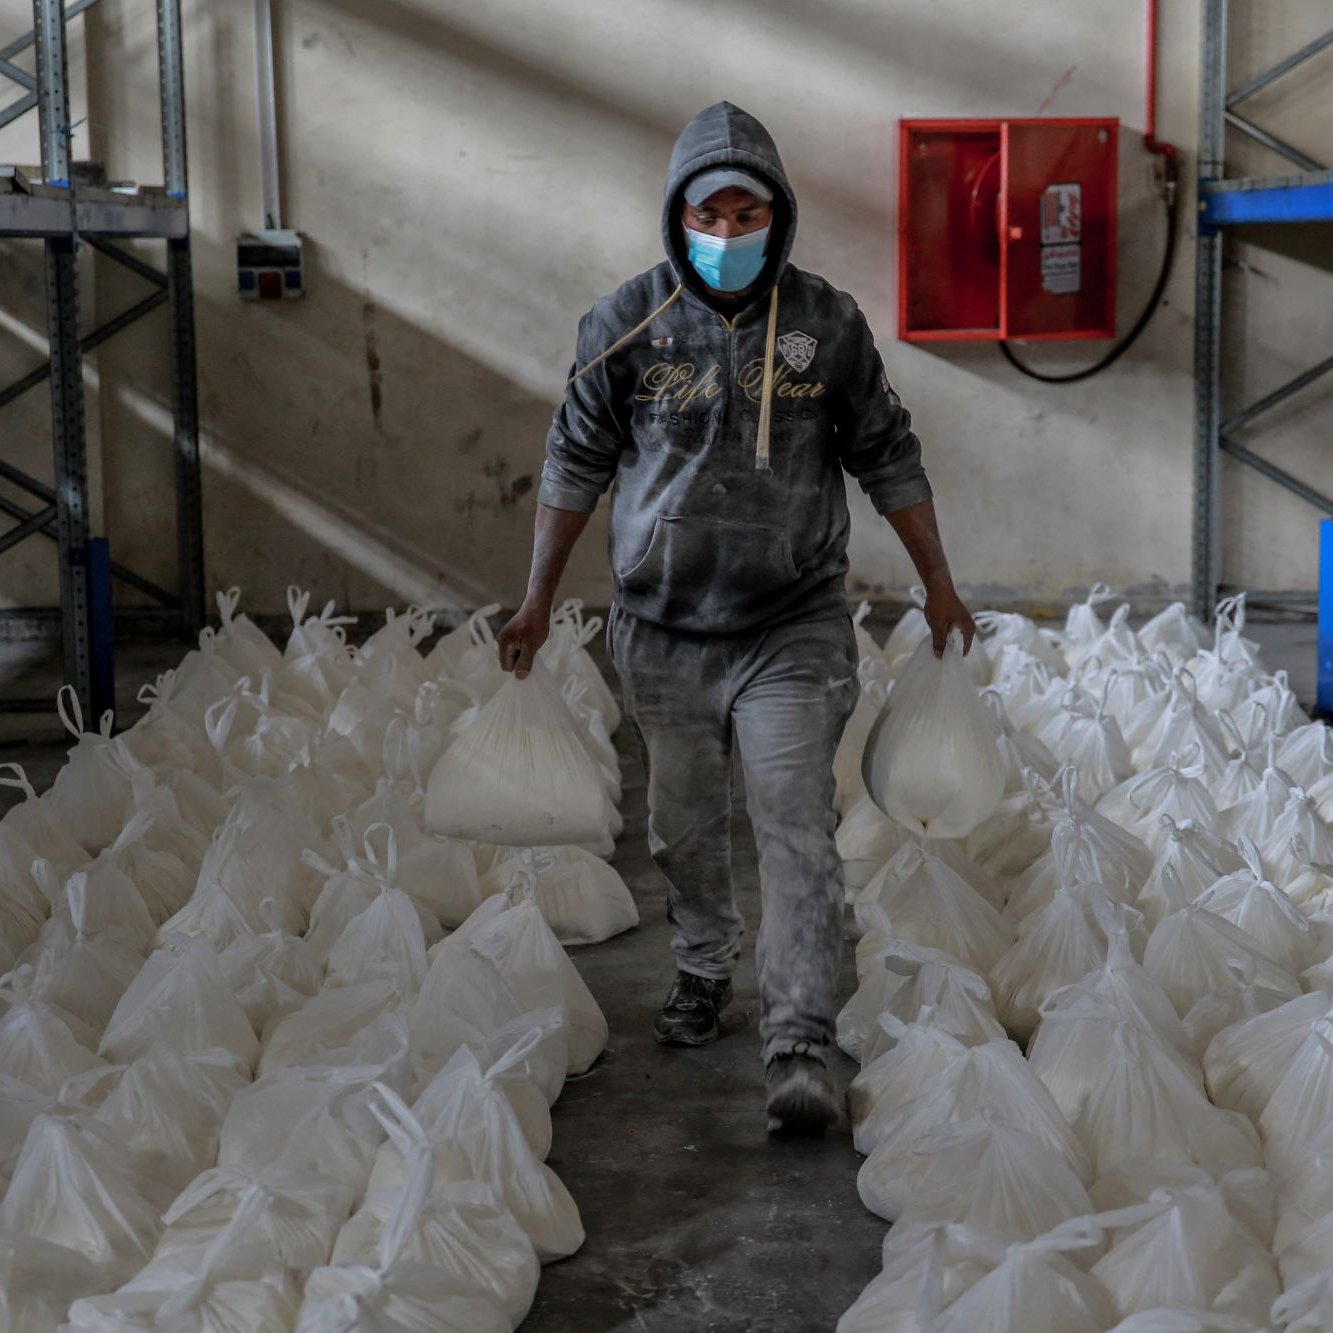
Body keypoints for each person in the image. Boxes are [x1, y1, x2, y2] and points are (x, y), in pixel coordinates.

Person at [497, 101, 975, 1134]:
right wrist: (538, 596)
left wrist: (937, 580)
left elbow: (888, 452)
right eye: (706, 211)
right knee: (680, 823)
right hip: (662, 628)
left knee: (795, 821)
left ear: (777, 214)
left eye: (743, 209)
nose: (725, 229)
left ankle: (800, 1036)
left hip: (790, 625)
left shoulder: (825, 325)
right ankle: (703, 964)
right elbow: (573, 463)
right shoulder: (622, 323)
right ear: (676, 217)